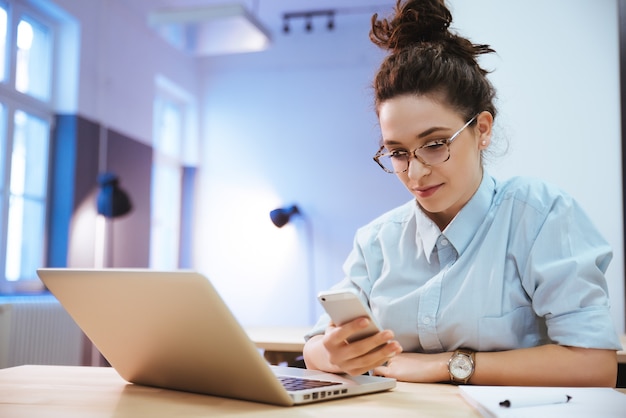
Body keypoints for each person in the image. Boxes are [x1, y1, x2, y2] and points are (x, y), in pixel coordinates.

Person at [302, 0, 622, 387]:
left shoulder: (539, 215)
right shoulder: (378, 241)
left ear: (482, 129)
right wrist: (331, 352)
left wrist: (447, 365)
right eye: (398, 153)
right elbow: (315, 346)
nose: (416, 172)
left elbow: (594, 366)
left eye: (435, 144)